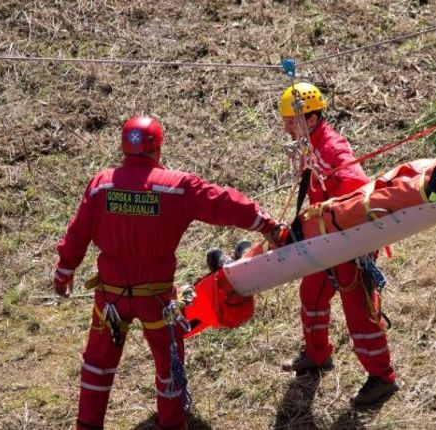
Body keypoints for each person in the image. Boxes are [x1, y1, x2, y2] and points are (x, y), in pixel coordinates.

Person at [53, 116, 282, 430]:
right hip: (156, 298)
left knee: (98, 364)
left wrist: (64, 271)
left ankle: (87, 426)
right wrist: (268, 226)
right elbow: (224, 203)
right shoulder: (176, 187)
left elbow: (77, 233)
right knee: (169, 364)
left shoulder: (101, 185)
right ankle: (171, 425)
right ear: (157, 148)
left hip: (111, 297)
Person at [278, 82, 399, 406]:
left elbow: (358, 188)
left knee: (358, 309)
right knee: (312, 292)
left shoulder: (331, 147)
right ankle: (318, 355)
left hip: (349, 238)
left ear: (312, 119)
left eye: (291, 120)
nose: (286, 126)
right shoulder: (309, 145)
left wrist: (341, 227)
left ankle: (382, 377)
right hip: (327, 236)